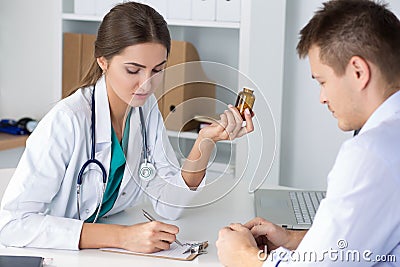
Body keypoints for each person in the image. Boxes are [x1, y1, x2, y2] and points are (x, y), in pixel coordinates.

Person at [0, 2, 254, 253]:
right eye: (134, 70)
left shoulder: (144, 109)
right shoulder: (67, 121)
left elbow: (169, 205)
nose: (146, 84)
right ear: (103, 62)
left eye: (157, 70)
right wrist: (122, 237)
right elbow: (12, 225)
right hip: (52, 252)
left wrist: (205, 142)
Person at [216, 0, 400, 266]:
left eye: (323, 82)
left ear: (359, 72)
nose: (322, 98)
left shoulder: (372, 153)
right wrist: (295, 240)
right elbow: (374, 244)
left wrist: (244, 257)